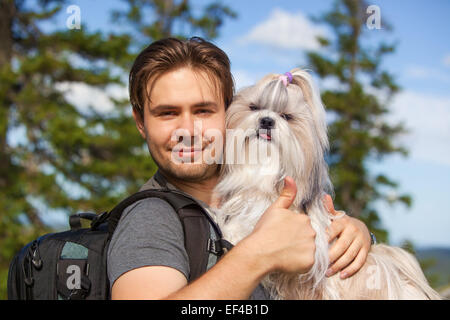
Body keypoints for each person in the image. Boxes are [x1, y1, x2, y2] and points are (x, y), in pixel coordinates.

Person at [107, 37, 372, 300]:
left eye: (202, 111)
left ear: (228, 112)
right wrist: (259, 253)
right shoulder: (150, 219)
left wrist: (355, 236)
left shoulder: (262, 184)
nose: (188, 131)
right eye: (168, 113)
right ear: (141, 122)